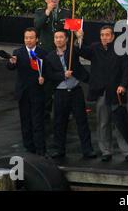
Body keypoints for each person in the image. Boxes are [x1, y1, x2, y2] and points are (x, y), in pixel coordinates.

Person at [75, 26, 128, 162]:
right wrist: (79, 37)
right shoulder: (95, 48)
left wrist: (123, 85)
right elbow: (80, 51)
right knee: (103, 123)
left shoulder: (121, 49)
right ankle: (106, 151)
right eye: (102, 35)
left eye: (107, 35)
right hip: (101, 92)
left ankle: (127, 152)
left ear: (113, 36)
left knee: (120, 124)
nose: (104, 37)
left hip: (117, 93)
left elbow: (127, 70)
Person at [45, 30, 96, 159]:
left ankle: (87, 149)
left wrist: (80, 37)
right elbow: (49, 75)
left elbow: (83, 50)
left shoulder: (73, 51)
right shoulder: (50, 56)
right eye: (56, 37)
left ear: (66, 39)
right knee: (59, 122)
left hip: (75, 90)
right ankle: (59, 149)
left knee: (82, 121)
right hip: (60, 92)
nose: (58, 40)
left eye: (61, 37)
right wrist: (63, 75)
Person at [6, 28, 47, 156]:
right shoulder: (18, 52)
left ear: (37, 39)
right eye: (26, 38)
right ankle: (29, 148)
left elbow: (48, 70)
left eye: (31, 38)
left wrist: (43, 78)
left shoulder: (43, 53)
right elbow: (10, 67)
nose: (28, 40)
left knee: (38, 122)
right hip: (23, 93)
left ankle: (40, 149)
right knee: (25, 121)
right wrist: (11, 62)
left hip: (37, 92)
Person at [34, 0, 71, 121]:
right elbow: (37, 26)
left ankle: (64, 111)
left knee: (63, 80)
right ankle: (46, 112)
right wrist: (48, 11)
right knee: (47, 83)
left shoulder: (66, 12)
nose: (54, 0)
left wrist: (78, 32)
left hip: (61, 52)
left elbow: (71, 28)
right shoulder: (40, 12)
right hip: (46, 51)